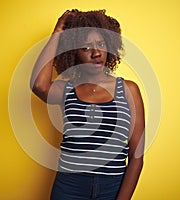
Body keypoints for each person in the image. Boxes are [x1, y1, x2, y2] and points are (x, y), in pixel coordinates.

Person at [30, 9, 145, 200]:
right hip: (69, 187)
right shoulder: (66, 89)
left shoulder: (128, 90)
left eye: (101, 44)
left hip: (112, 186)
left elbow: (136, 157)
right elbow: (39, 85)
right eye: (85, 47)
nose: (96, 52)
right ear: (74, 53)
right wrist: (58, 32)